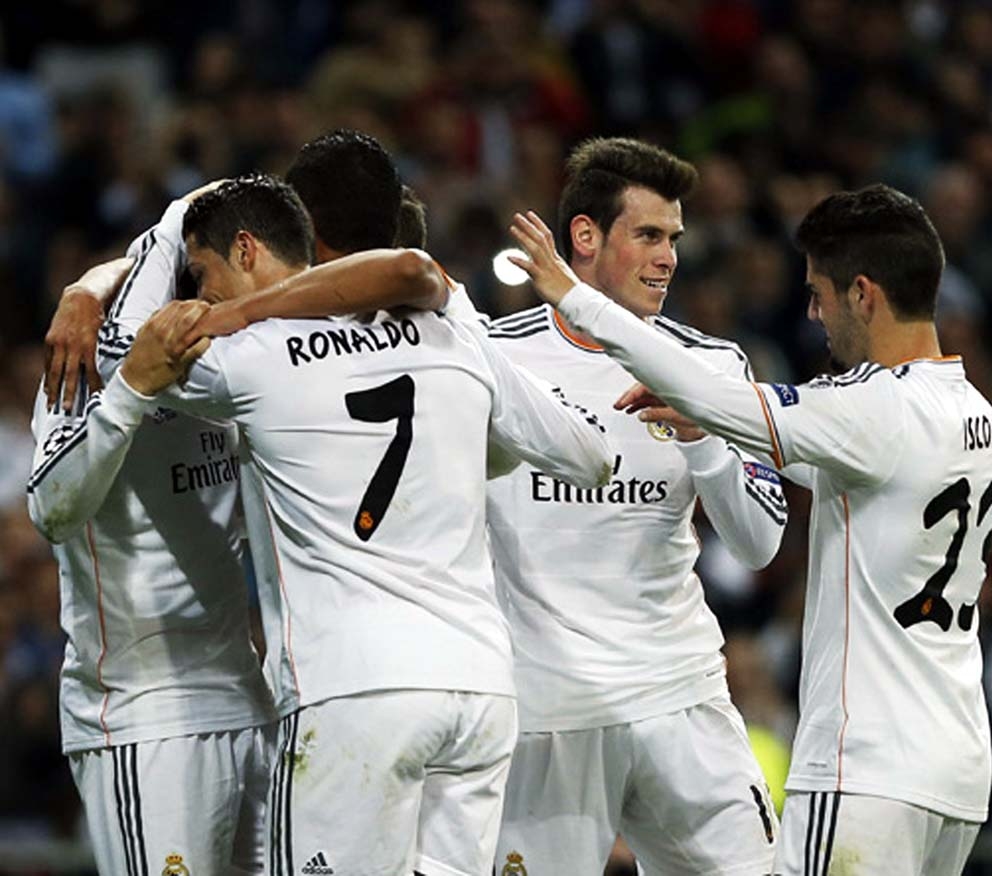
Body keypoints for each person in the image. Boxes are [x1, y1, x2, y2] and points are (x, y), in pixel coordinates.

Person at [118, 173, 613, 876]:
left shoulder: (251, 357)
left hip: (352, 687)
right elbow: (592, 457)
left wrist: (145, 247)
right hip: (478, 688)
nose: (203, 294)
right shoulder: (455, 333)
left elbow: (126, 354)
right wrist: (469, 447)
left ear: (260, 247)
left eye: (202, 274)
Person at [509, 183, 992, 876]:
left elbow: (716, 394)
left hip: (866, 768)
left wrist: (575, 297)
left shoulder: (872, 410)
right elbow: (785, 443)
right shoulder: (974, 411)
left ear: (863, 294)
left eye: (820, 294)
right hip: (955, 770)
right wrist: (708, 425)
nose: (813, 313)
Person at [485, 137, 786, 876]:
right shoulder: (495, 359)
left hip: (681, 696)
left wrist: (703, 435)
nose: (668, 258)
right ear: (585, 236)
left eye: (673, 239)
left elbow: (759, 543)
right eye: (649, 235)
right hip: (551, 708)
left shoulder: (710, 365)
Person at [27, 185, 279, 876]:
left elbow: (217, 198)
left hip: (248, 698)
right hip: (143, 718)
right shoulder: (87, 365)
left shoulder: (232, 367)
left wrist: (86, 284)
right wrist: (131, 389)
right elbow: (51, 509)